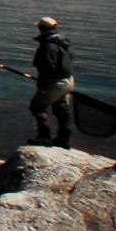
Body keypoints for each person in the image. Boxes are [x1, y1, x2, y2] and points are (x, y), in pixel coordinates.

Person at [29, 15, 75, 148]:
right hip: (68, 80)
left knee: (37, 106)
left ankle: (44, 137)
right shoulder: (63, 42)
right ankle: (64, 139)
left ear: (41, 28)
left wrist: (42, 85)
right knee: (61, 108)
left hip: (56, 82)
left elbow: (47, 67)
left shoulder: (49, 45)